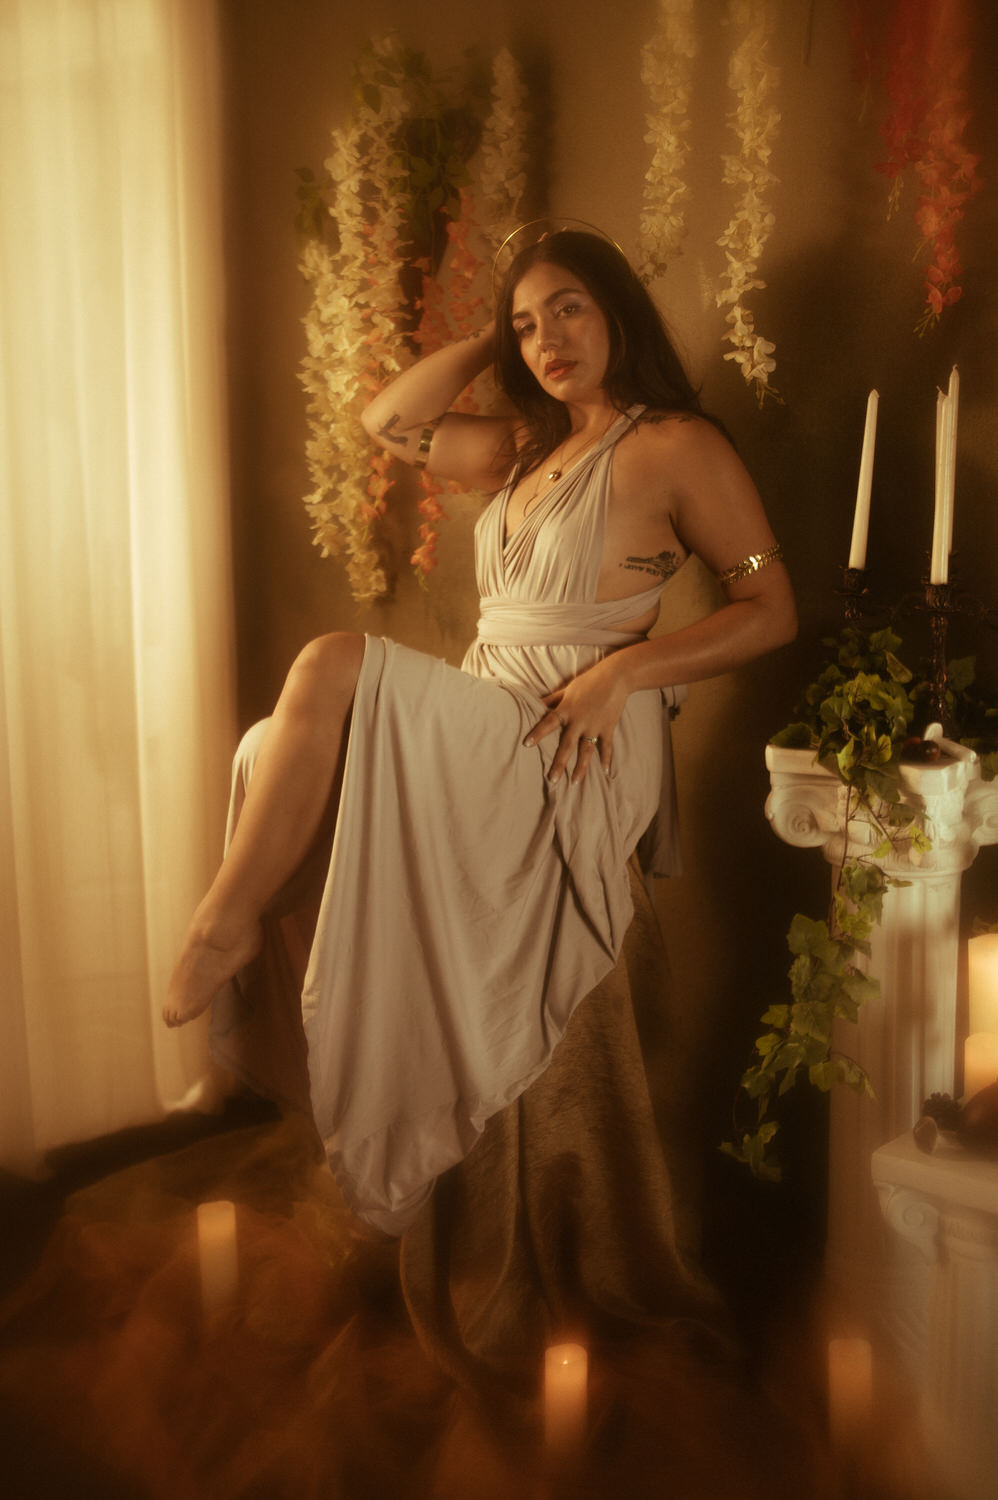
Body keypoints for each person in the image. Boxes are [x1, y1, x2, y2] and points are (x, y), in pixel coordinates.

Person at [163, 227, 796, 1242]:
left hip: (571, 731)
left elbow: (770, 610)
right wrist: (488, 337)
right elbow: (388, 420)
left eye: (569, 309)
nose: (548, 338)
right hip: (491, 701)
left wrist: (624, 669)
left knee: (329, 663)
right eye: (526, 325)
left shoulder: (678, 445)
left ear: (616, 309)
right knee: (265, 749)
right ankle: (257, 915)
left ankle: (221, 925)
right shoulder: (524, 446)